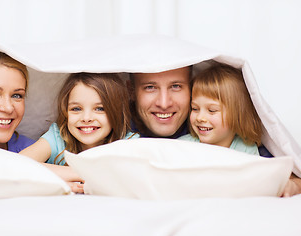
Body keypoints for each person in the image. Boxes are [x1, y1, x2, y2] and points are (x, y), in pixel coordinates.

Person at [129, 65, 301, 196]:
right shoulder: (124, 132)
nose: (164, 103)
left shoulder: (248, 147)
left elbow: (285, 173)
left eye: (176, 86)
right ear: (131, 91)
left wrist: (292, 184)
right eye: (150, 87)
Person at [20, 72, 139, 192]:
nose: (86, 118)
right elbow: (18, 163)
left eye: (99, 109)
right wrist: (78, 173)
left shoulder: (129, 143)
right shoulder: (58, 137)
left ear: (117, 112)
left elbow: (128, 178)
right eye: (76, 109)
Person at [178, 63, 262, 155]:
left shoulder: (246, 150)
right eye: (195, 109)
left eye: (212, 110)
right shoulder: (182, 145)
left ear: (237, 115)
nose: (200, 118)